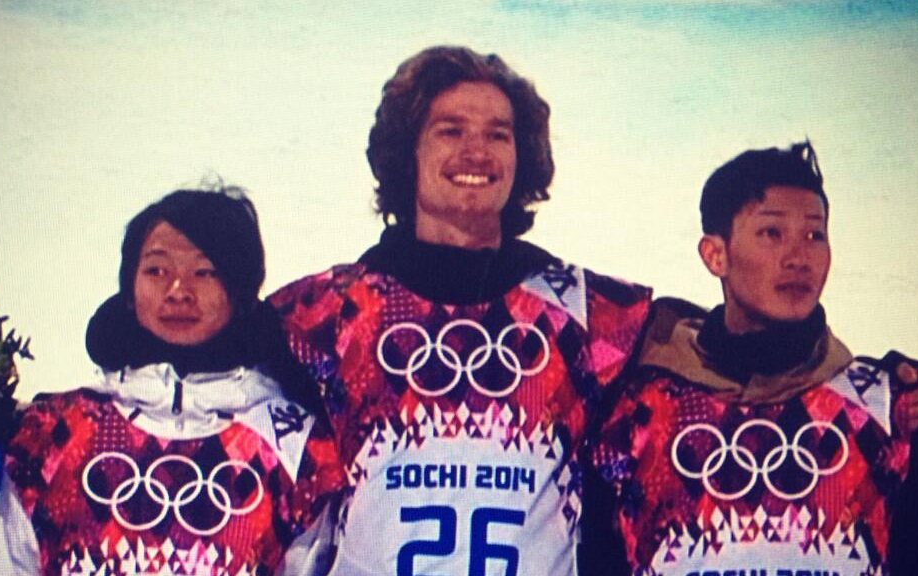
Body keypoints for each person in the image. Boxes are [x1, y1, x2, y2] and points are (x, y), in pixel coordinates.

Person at [268, 46, 653, 576]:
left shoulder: (593, 316)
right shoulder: (321, 315)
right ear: (409, 153)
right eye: (451, 130)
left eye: (498, 134)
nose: (477, 152)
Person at [590, 142, 918, 575]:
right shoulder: (640, 411)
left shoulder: (887, 409)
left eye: (814, 235)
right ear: (715, 254)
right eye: (772, 233)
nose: (798, 257)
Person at [0, 188, 342, 576]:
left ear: (241, 293)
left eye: (205, 272)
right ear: (129, 289)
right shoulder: (50, 436)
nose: (179, 291)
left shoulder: (302, 451)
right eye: (157, 270)